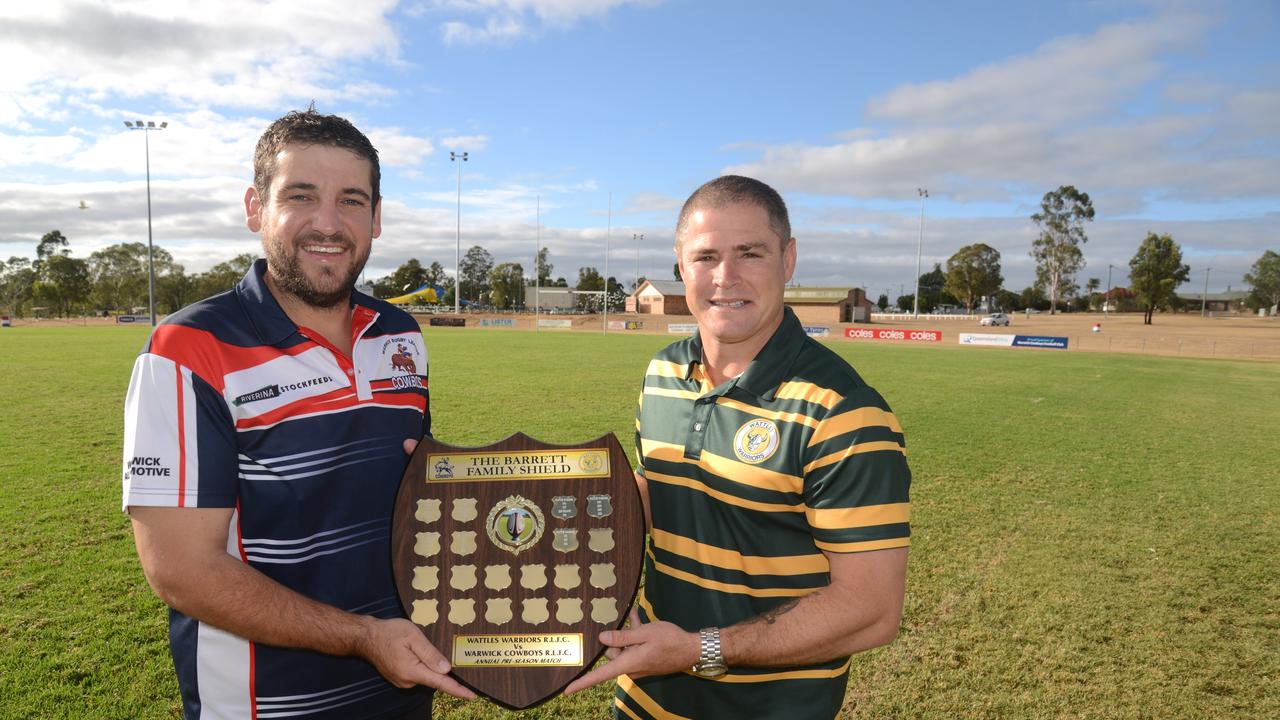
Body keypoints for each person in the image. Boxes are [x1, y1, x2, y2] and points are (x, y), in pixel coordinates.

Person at [122, 108, 474, 719]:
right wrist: (364, 637)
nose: (328, 224)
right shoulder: (186, 350)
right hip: (267, 706)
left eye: (352, 200)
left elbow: (416, 487)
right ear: (255, 207)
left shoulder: (400, 335)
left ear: (378, 216)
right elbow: (181, 569)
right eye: (301, 196)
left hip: (406, 684)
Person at [565, 175, 911, 718]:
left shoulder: (844, 411)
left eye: (750, 253)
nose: (726, 277)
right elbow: (658, 492)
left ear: (788, 259)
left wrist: (698, 649)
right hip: (643, 701)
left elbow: (871, 609)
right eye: (706, 257)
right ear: (681, 265)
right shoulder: (663, 372)